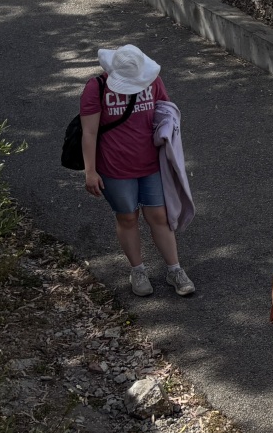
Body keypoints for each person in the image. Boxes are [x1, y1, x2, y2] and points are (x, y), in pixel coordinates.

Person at [79, 44, 195, 297]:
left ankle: (174, 269)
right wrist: (90, 171)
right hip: (114, 167)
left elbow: (165, 112)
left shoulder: (153, 81)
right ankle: (138, 270)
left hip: (151, 165)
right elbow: (89, 132)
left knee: (159, 216)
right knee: (128, 218)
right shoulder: (96, 88)